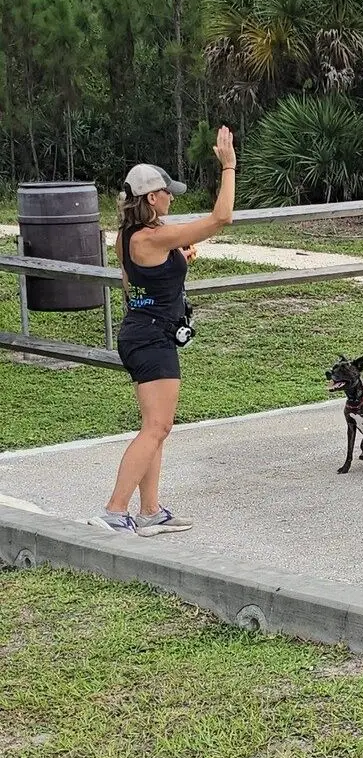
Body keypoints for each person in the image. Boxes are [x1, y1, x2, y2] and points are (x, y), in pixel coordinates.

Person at [90, 126, 237, 535]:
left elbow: (134, 280)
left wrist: (176, 257)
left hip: (139, 332)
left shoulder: (129, 238)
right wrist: (228, 166)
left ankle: (150, 511)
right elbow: (221, 217)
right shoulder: (155, 236)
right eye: (167, 191)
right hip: (152, 338)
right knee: (158, 427)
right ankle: (115, 510)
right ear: (152, 198)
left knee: (153, 426)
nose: (172, 197)